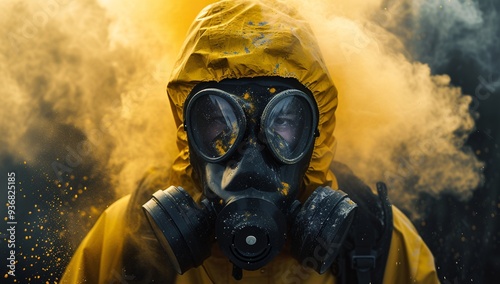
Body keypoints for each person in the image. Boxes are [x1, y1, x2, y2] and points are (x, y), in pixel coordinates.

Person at [61, 0, 439, 283]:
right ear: (186, 133)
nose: (250, 158)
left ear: (317, 133)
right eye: (217, 121)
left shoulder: (377, 241)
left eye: (284, 121)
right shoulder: (130, 237)